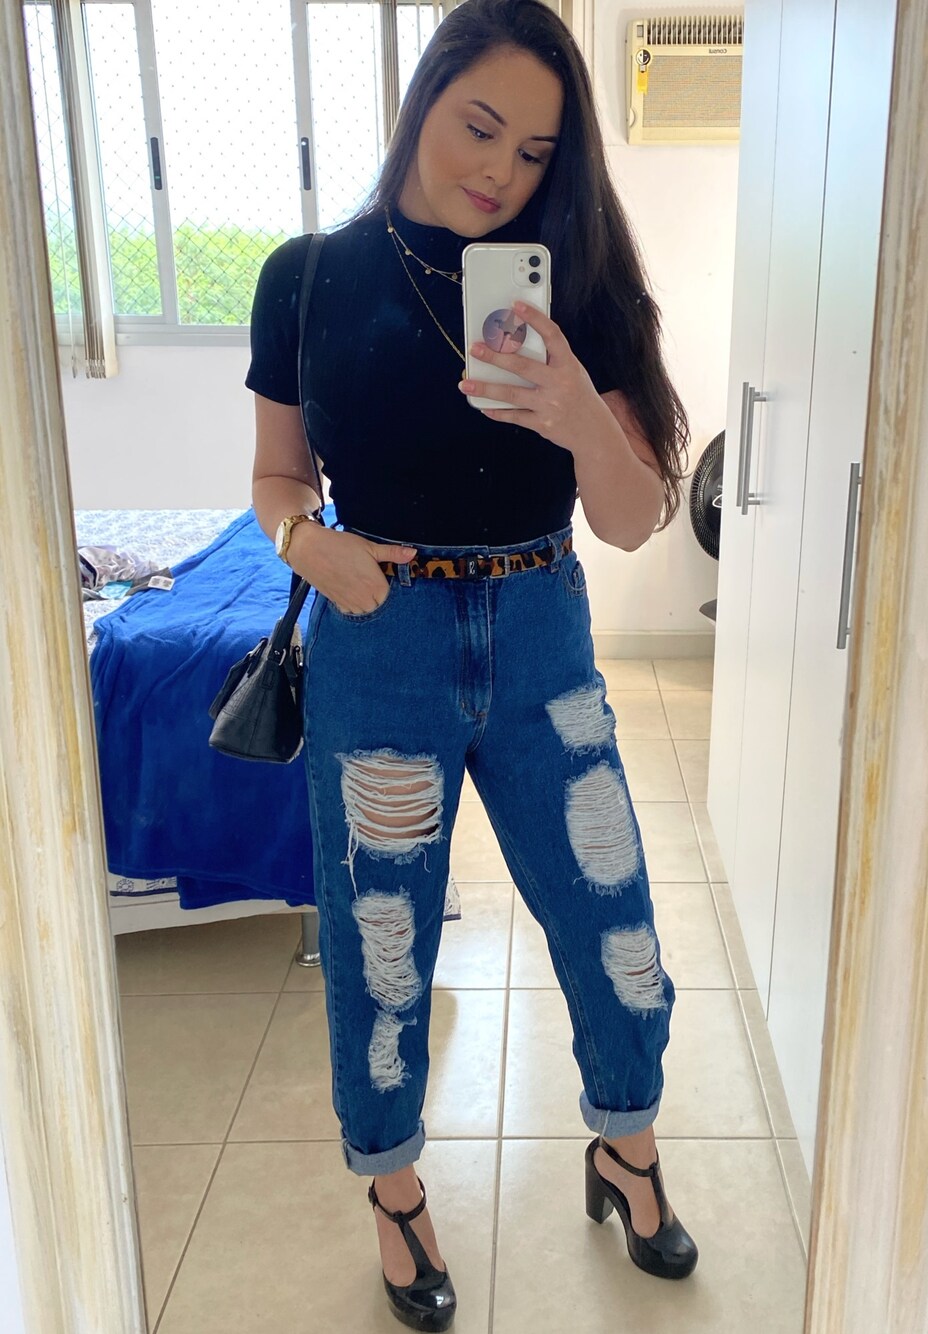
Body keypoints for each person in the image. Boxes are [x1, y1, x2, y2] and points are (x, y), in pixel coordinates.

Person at [246, 1, 697, 1327]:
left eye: (536, 151)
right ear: (423, 100)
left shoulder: (576, 282)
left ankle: (627, 1149)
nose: (501, 172)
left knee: (616, 928)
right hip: (380, 639)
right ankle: (395, 1193)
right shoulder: (309, 278)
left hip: (541, 628)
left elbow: (632, 517)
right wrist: (309, 544)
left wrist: (577, 413)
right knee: (381, 943)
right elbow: (276, 475)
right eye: (478, 128)